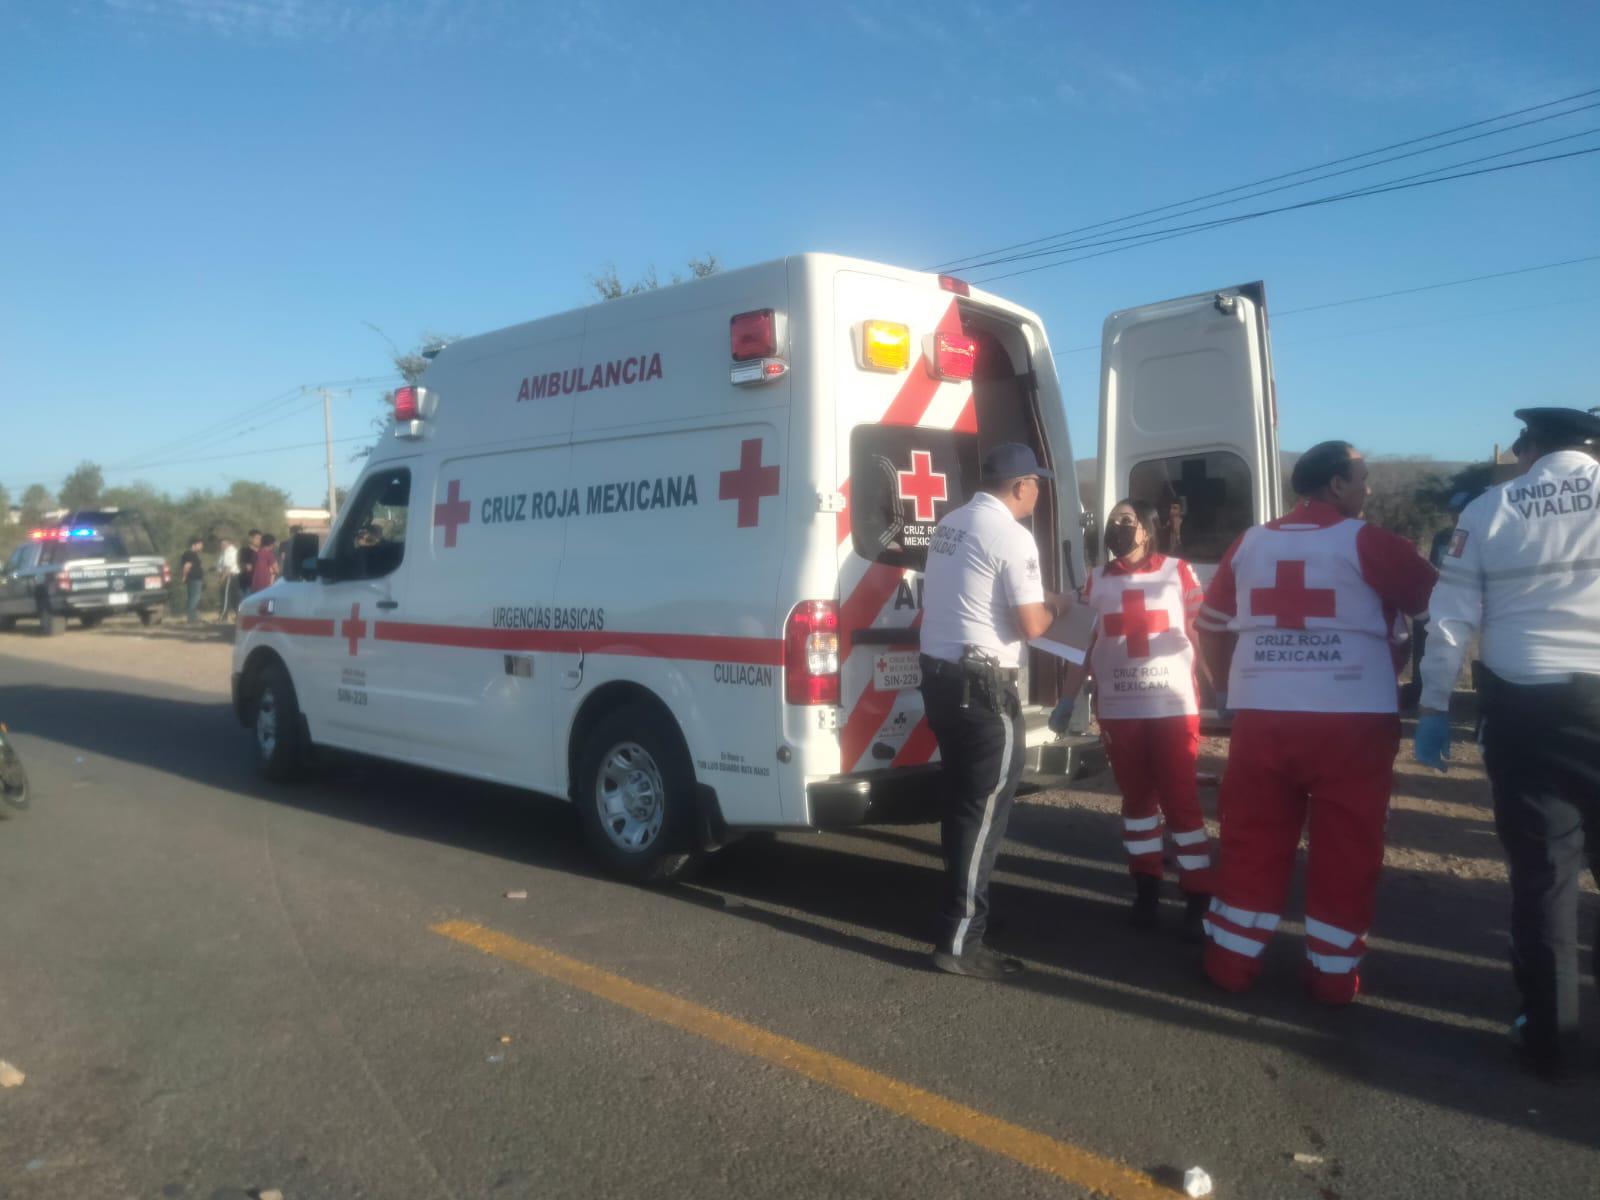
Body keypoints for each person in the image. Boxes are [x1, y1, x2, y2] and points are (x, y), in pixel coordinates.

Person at [1194, 441, 1436, 1004]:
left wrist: (1232, 687)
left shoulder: (1249, 542)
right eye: (1362, 478)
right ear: (1335, 485)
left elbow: (1210, 623)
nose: (1367, 489)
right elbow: (1439, 614)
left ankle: (1230, 963)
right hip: (1353, 722)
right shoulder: (1373, 542)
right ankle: (1332, 979)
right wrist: (1410, 675)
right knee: (1347, 849)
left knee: (1251, 839)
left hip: (1262, 718)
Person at [1415, 407, 1600, 1082]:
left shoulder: (1492, 510)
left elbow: (1451, 623)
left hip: (1528, 712)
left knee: (1544, 877)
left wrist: (1435, 705)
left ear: (1530, 448)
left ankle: (1548, 1035)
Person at [919, 442, 1073, 979]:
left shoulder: (951, 524)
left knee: (963, 805)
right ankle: (960, 942)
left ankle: (962, 917)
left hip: (941, 682)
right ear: (1020, 485)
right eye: (1036, 483)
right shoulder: (1012, 534)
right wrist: (1059, 606)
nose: (1039, 492)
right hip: (984, 690)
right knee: (982, 815)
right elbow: (1032, 625)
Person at [1068, 498, 1214, 936]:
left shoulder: (1178, 572)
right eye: (1112, 520)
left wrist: (1222, 686)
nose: (1117, 527)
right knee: (1136, 803)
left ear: (1147, 530)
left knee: (1181, 800)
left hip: (1172, 709)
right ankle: (1146, 885)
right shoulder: (1095, 581)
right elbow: (1082, 646)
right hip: (1118, 710)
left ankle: (1198, 896)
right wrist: (1066, 700)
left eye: (1126, 521)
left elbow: (1201, 633)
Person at [179, 537, 205, 625]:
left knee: (193, 598)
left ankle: (193, 617)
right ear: (194, 545)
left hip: (195, 579)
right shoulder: (190, 554)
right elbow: (187, 566)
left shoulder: (193, 554)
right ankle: (192, 619)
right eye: (200, 545)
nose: (201, 547)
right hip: (194, 579)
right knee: (195, 598)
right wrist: (184, 576)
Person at [215, 538, 240, 622]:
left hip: (229, 576)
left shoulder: (230, 552)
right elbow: (220, 566)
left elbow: (228, 568)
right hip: (227, 576)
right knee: (232, 597)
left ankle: (223, 616)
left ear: (228, 543)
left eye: (223, 544)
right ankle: (237, 615)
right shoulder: (224, 552)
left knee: (225, 597)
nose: (221, 546)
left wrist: (222, 579)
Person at [238, 530, 261, 600]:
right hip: (246, 583)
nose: (259, 540)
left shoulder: (262, 552)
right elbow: (242, 565)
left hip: (259, 583)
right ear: (250, 538)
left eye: (260, 539)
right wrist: (245, 566)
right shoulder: (244, 551)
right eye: (257, 538)